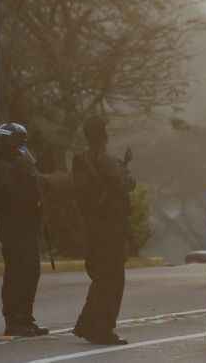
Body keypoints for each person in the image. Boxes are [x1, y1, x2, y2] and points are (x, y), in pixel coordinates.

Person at [0, 122, 48, 337]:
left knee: (30, 271)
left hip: (24, 224)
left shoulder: (16, 164)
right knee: (18, 272)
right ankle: (15, 320)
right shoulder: (3, 167)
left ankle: (25, 317)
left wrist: (31, 169)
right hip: (14, 225)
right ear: (16, 144)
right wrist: (30, 173)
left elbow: (40, 186)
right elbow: (16, 195)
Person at [72, 115, 137, 346]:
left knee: (101, 277)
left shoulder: (80, 160)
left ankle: (86, 324)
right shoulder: (106, 160)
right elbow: (128, 183)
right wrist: (124, 168)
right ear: (103, 136)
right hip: (110, 226)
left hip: (91, 225)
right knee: (112, 279)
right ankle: (102, 329)